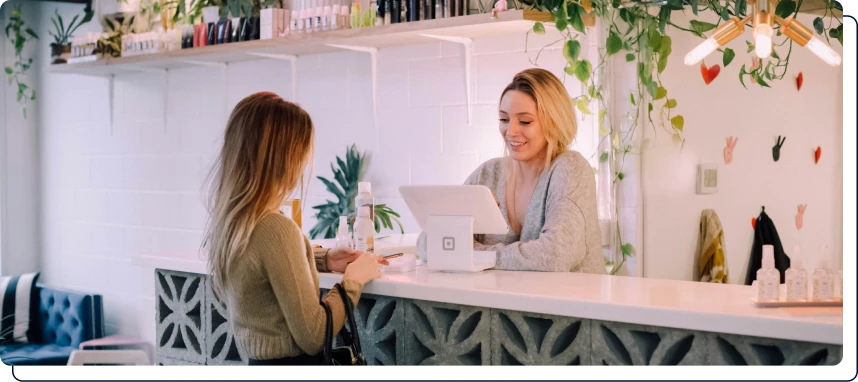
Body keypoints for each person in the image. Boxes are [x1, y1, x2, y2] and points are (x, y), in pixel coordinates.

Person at [204, 92, 387, 367]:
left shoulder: (233, 222)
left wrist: (323, 259)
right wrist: (352, 282)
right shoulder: (276, 228)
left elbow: (262, 268)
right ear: (285, 158)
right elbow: (314, 335)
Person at [418, 68, 604, 273]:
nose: (511, 131)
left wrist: (475, 254)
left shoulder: (570, 169)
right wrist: (465, 220)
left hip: (568, 303)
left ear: (554, 122)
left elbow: (555, 255)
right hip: (504, 303)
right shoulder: (488, 174)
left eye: (525, 121)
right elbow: (428, 245)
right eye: (504, 119)